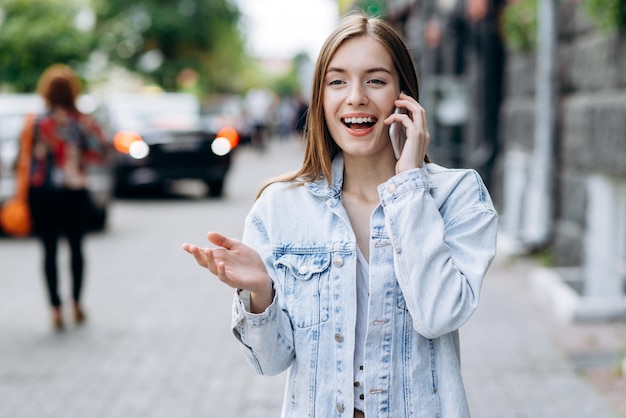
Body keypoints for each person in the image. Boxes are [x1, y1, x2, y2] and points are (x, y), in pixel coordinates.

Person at [183, 12, 498, 417]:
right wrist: (260, 294)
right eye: (337, 81)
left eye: (376, 80)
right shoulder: (279, 207)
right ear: (320, 100)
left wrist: (408, 184)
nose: (356, 97)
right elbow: (269, 362)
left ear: (406, 97)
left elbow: (438, 316)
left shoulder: (457, 195)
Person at [26, 64, 107, 331]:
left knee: (48, 251)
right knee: (76, 249)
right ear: (73, 91)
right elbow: (99, 153)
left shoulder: (37, 122)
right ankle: (76, 303)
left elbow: (24, 159)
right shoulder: (82, 123)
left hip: (42, 193)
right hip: (74, 193)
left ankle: (55, 309)